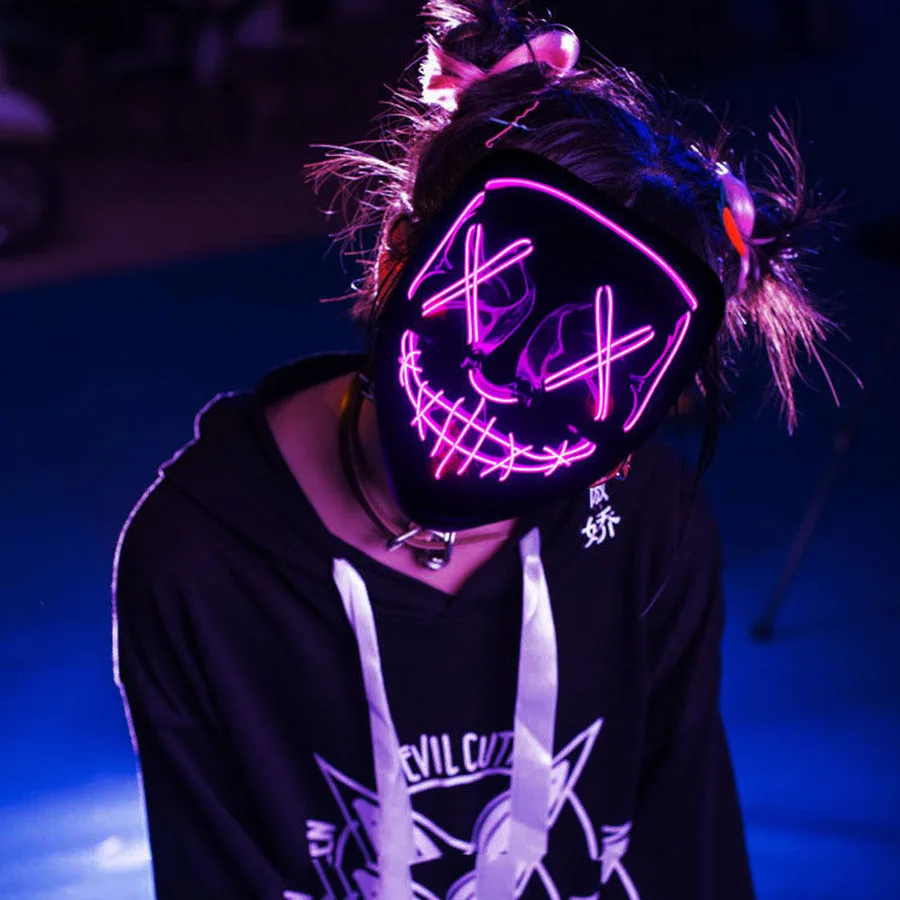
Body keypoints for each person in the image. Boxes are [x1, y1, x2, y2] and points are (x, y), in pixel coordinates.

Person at [112, 2, 836, 897]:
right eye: (493, 300)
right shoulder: (198, 558)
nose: (504, 384)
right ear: (398, 258)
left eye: (584, 355)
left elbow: (689, 848)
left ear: (643, 419)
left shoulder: (649, 523)